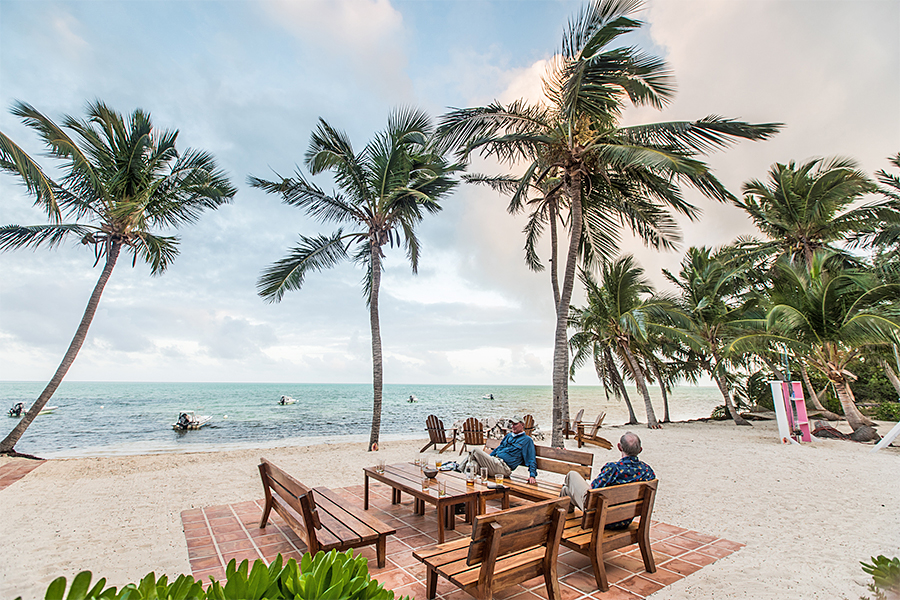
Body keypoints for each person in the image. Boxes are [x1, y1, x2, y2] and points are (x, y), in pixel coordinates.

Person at [560, 431, 654, 528]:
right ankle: (566, 497)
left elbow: (592, 489)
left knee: (572, 475)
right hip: (625, 520)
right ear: (640, 450)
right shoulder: (647, 471)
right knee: (566, 491)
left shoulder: (613, 469)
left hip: (601, 517)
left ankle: (559, 524)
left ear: (619, 447)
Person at [462, 416, 537, 484]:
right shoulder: (509, 436)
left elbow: (531, 459)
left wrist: (532, 475)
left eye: (515, 424)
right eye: (512, 424)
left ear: (522, 425)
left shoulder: (527, 440)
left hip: (504, 468)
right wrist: (487, 459)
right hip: (495, 463)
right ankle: (469, 492)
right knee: (473, 464)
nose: (512, 426)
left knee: (475, 450)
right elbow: (497, 449)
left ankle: (458, 470)